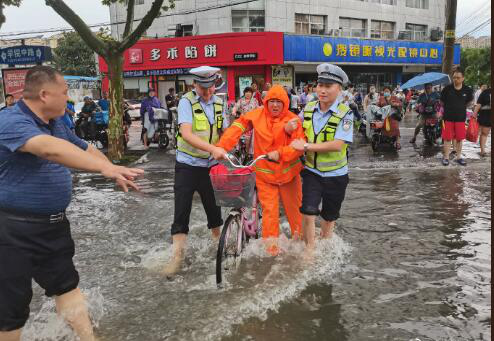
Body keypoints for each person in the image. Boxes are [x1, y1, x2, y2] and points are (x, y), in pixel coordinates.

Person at [0, 66, 143, 341]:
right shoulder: (11, 120)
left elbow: (82, 147)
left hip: (52, 226)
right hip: (11, 232)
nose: (68, 97)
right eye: (64, 92)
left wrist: (112, 166)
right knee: (12, 308)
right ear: (44, 94)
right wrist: (106, 171)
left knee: (67, 286)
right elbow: (48, 149)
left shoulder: (56, 121)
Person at [213, 85, 305, 254]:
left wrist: (281, 152)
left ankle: (302, 249)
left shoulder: (293, 120)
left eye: (279, 102)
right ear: (266, 101)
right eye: (272, 101)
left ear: (285, 103)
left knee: (296, 214)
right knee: (270, 214)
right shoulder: (256, 115)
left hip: (289, 177)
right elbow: (237, 128)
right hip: (265, 176)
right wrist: (221, 147)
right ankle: (271, 253)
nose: (275, 105)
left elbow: (299, 147)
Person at [164, 66, 229, 276]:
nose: (208, 93)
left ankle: (218, 246)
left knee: (214, 209)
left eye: (211, 88)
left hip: (211, 166)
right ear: (194, 85)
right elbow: (186, 133)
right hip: (187, 165)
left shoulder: (220, 102)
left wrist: (229, 147)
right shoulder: (186, 102)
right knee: (181, 211)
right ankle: (177, 257)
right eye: (203, 89)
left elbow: (225, 131)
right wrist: (213, 149)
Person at [287, 63, 353, 256]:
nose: (322, 90)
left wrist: (306, 146)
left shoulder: (345, 114)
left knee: (329, 215)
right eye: (320, 85)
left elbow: (338, 144)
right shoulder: (308, 109)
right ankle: (310, 250)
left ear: (339, 89)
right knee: (308, 211)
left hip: (336, 175)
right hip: (312, 172)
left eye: (328, 86)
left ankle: (326, 240)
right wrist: (289, 127)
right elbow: (294, 124)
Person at [440, 68, 474, 166]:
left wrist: (461, 107)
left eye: (458, 78)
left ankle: (459, 157)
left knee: (459, 139)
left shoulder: (467, 90)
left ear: (463, 78)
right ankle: (446, 157)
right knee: (447, 139)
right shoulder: (447, 89)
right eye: (454, 77)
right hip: (448, 118)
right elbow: (442, 102)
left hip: (460, 119)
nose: (456, 79)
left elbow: (469, 102)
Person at [473, 86, 491, 157]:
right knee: (484, 133)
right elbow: (479, 104)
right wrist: (474, 114)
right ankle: (482, 151)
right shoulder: (486, 92)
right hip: (486, 115)